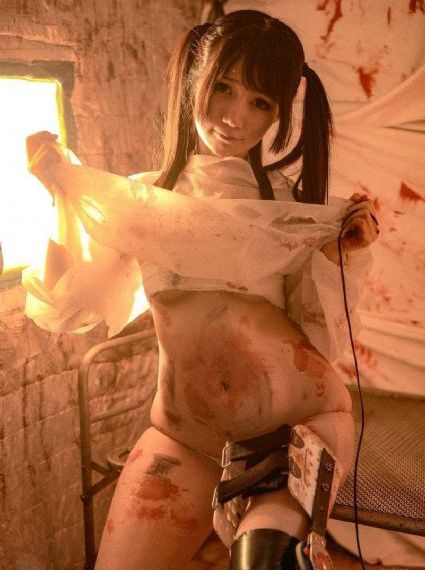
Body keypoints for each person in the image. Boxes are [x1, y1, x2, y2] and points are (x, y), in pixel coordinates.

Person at [25, 10, 379, 570]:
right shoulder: (141, 201)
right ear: (195, 79)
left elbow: (318, 332)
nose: (236, 117)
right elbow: (70, 305)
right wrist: (59, 194)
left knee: (265, 561)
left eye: (261, 102)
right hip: (185, 437)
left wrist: (341, 254)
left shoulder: (286, 207)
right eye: (223, 88)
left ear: (279, 113)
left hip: (296, 425)